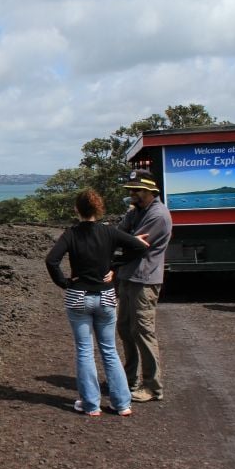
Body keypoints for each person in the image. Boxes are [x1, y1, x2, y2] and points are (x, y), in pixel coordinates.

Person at [46, 189, 149, 417]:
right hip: (106, 296)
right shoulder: (109, 232)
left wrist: (65, 282)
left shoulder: (70, 234)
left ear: (77, 209)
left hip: (78, 295)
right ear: (99, 208)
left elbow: (52, 260)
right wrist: (115, 266)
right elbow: (140, 247)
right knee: (110, 350)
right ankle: (122, 404)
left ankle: (91, 405)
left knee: (84, 350)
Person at [115, 169, 172, 403]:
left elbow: (132, 244)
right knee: (126, 329)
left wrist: (123, 239)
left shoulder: (157, 215)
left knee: (143, 332)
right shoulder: (137, 211)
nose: (132, 195)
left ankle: (152, 386)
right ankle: (129, 380)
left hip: (144, 280)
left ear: (151, 191)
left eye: (137, 191)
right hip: (129, 277)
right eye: (130, 191)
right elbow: (119, 234)